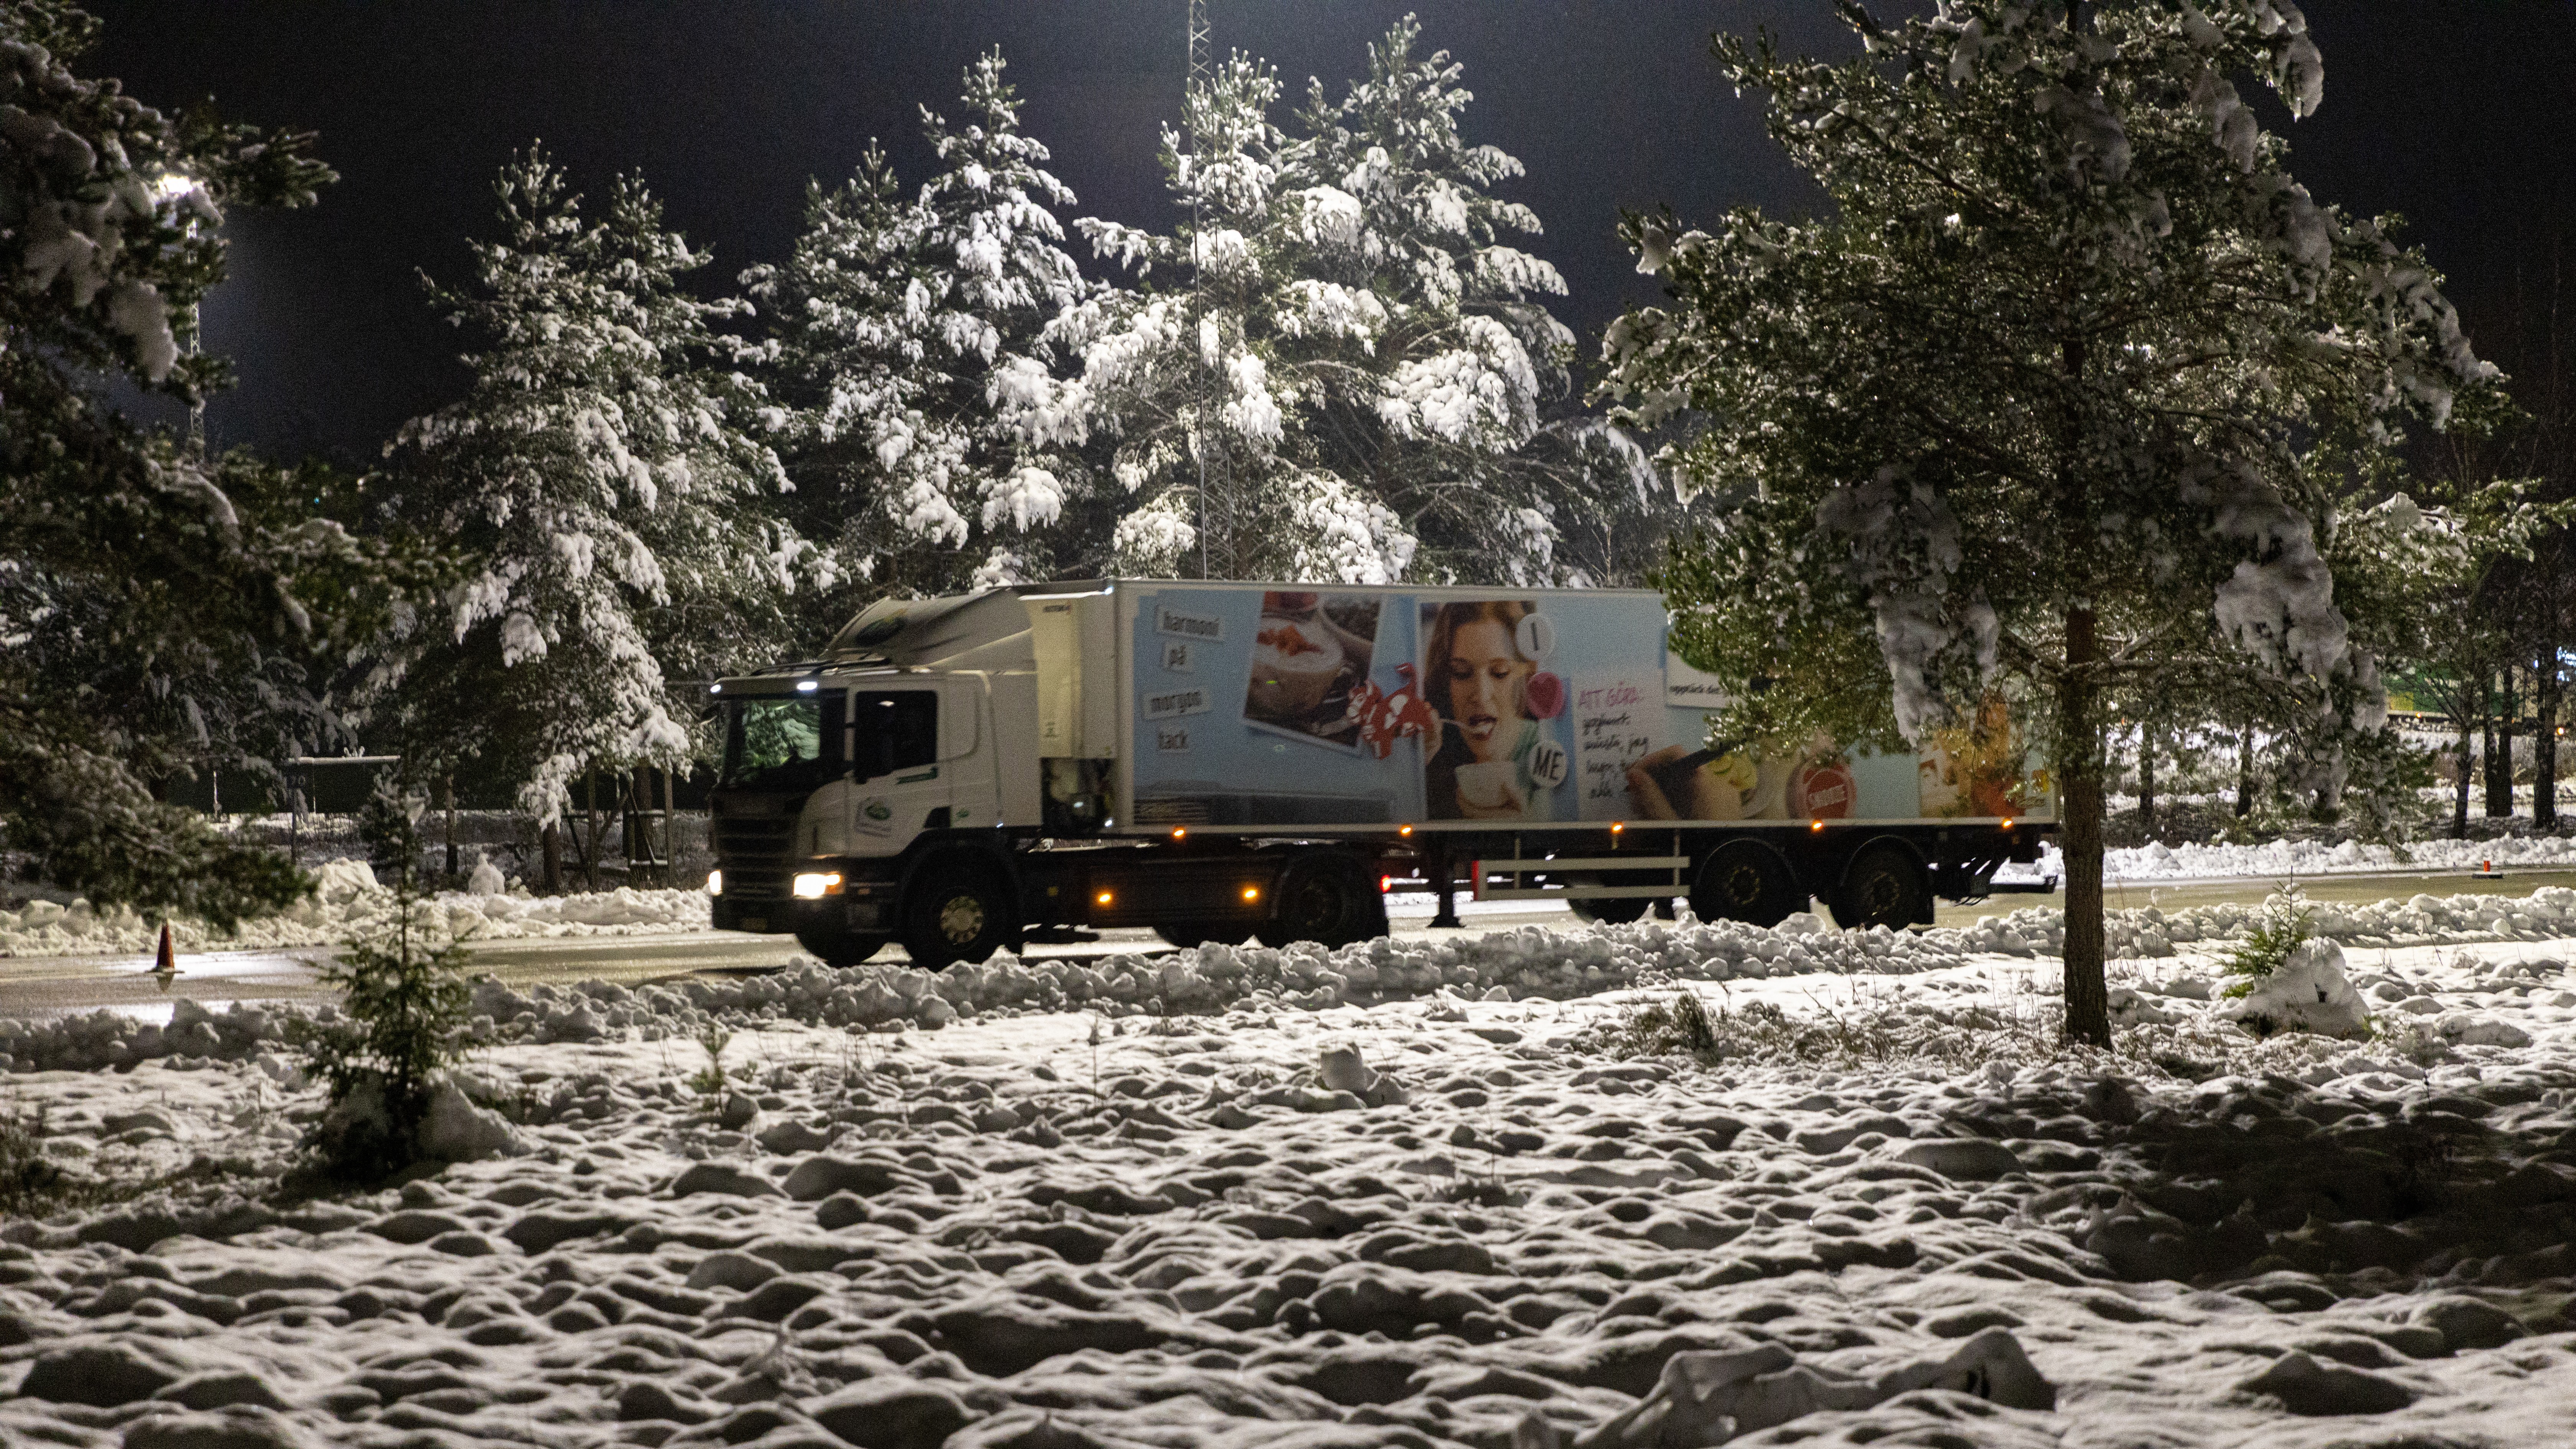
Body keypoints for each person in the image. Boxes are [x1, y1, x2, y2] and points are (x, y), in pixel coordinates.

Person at [1422, 601, 1553, 820]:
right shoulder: (1437, 751)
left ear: (1525, 676)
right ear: (1446, 681)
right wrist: (1418, 762)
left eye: (1499, 672)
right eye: (1462, 673)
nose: (1481, 696)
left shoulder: (1547, 744)